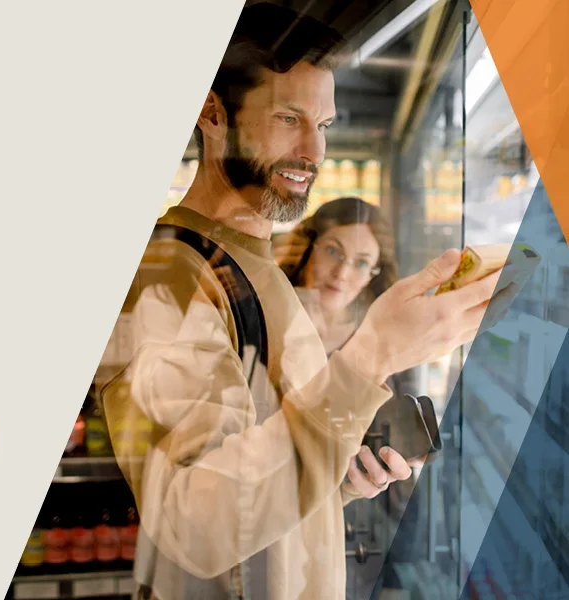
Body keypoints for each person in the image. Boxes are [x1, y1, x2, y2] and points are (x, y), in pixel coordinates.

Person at [99, 4, 517, 600]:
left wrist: (340, 476)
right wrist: (371, 355)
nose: (313, 152)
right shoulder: (166, 278)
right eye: (288, 117)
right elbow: (194, 524)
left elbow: (253, 477)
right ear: (212, 114)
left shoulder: (255, 264)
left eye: (322, 125)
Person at [273, 196, 427, 596]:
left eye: (361, 262)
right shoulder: (267, 316)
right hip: (273, 520)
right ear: (308, 248)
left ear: (374, 273)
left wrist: (399, 573)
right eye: (332, 252)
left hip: (358, 535)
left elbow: (401, 459)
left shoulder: (385, 342)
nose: (342, 272)